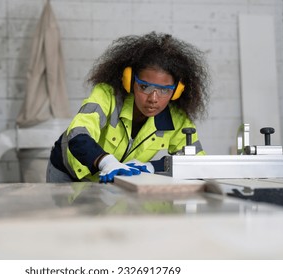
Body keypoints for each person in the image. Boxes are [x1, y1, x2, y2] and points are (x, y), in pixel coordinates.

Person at [47, 32, 209, 183]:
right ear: (129, 81)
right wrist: (105, 161)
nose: (153, 98)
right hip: (67, 173)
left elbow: (196, 160)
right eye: (145, 87)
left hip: (115, 180)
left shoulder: (177, 119)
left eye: (164, 90)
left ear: (177, 91)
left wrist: (154, 167)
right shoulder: (107, 95)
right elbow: (77, 134)